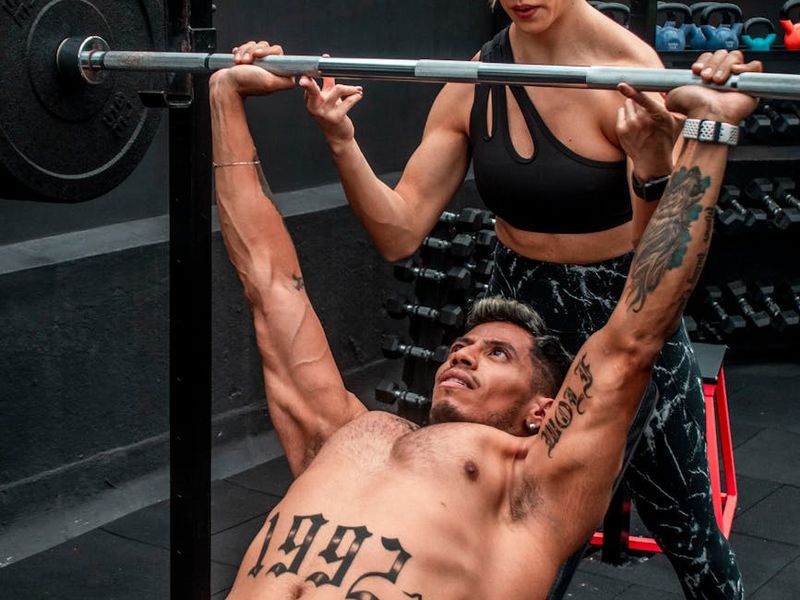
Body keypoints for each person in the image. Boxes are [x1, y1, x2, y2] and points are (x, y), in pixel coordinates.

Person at [209, 41, 759, 599]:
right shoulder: (345, 432)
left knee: (690, 529)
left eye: (499, 353)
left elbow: (638, 333)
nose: (464, 353)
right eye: (464, 345)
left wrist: (708, 133)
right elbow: (269, 282)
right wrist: (226, 98)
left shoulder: (530, 488)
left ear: (545, 410)